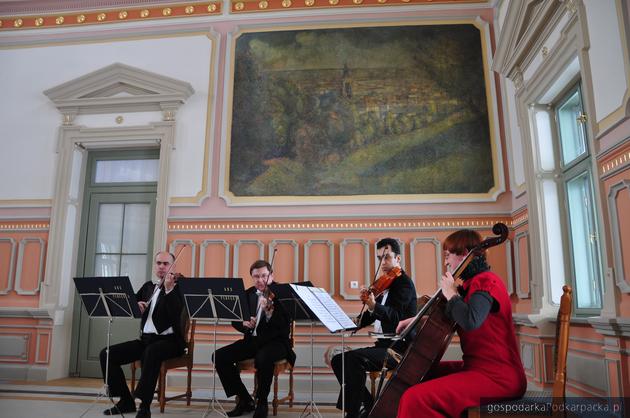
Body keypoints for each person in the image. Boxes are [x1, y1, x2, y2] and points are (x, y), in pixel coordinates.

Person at [395, 229, 526, 418]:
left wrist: (451, 293)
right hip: (476, 367)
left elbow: (470, 320)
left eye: (448, 255)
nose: (446, 262)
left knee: (415, 398)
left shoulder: (487, 282)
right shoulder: (470, 284)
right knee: (418, 374)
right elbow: (452, 320)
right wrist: (416, 320)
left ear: (465, 253)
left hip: (499, 377)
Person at [331, 238, 417, 418]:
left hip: (399, 349)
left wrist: (373, 305)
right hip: (383, 346)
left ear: (398, 259)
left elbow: (396, 317)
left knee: (351, 360)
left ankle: (357, 411)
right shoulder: (384, 284)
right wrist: (347, 325)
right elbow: (370, 315)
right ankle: (368, 407)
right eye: (380, 258)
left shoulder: (404, 284)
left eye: (387, 257)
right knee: (339, 360)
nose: (383, 263)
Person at [99, 251, 186, 418]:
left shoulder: (179, 288)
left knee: (151, 352)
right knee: (107, 354)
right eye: (158, 263)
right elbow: (130, 304)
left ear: (173, 267)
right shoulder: (148, 287)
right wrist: (136, 304)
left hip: (170, 342)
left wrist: (168, 291)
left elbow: (177, 315)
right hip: (146, 340)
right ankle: (126, 400)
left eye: (166, 264)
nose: (161, 266)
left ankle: (144, 407)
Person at [213, 260, 295, 418]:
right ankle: (245, 399)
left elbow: (285, 325)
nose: (260, 280)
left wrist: (269, 313)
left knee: (264, 357)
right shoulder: (247, 293)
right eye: (256, 276)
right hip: (253, 341)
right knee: (219, 356)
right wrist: (244, 323)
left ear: (271, 276)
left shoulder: (281, 294)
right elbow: (235, 319)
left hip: (277, 342)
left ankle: (262, 402)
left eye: (264, 276)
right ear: (252, 277)